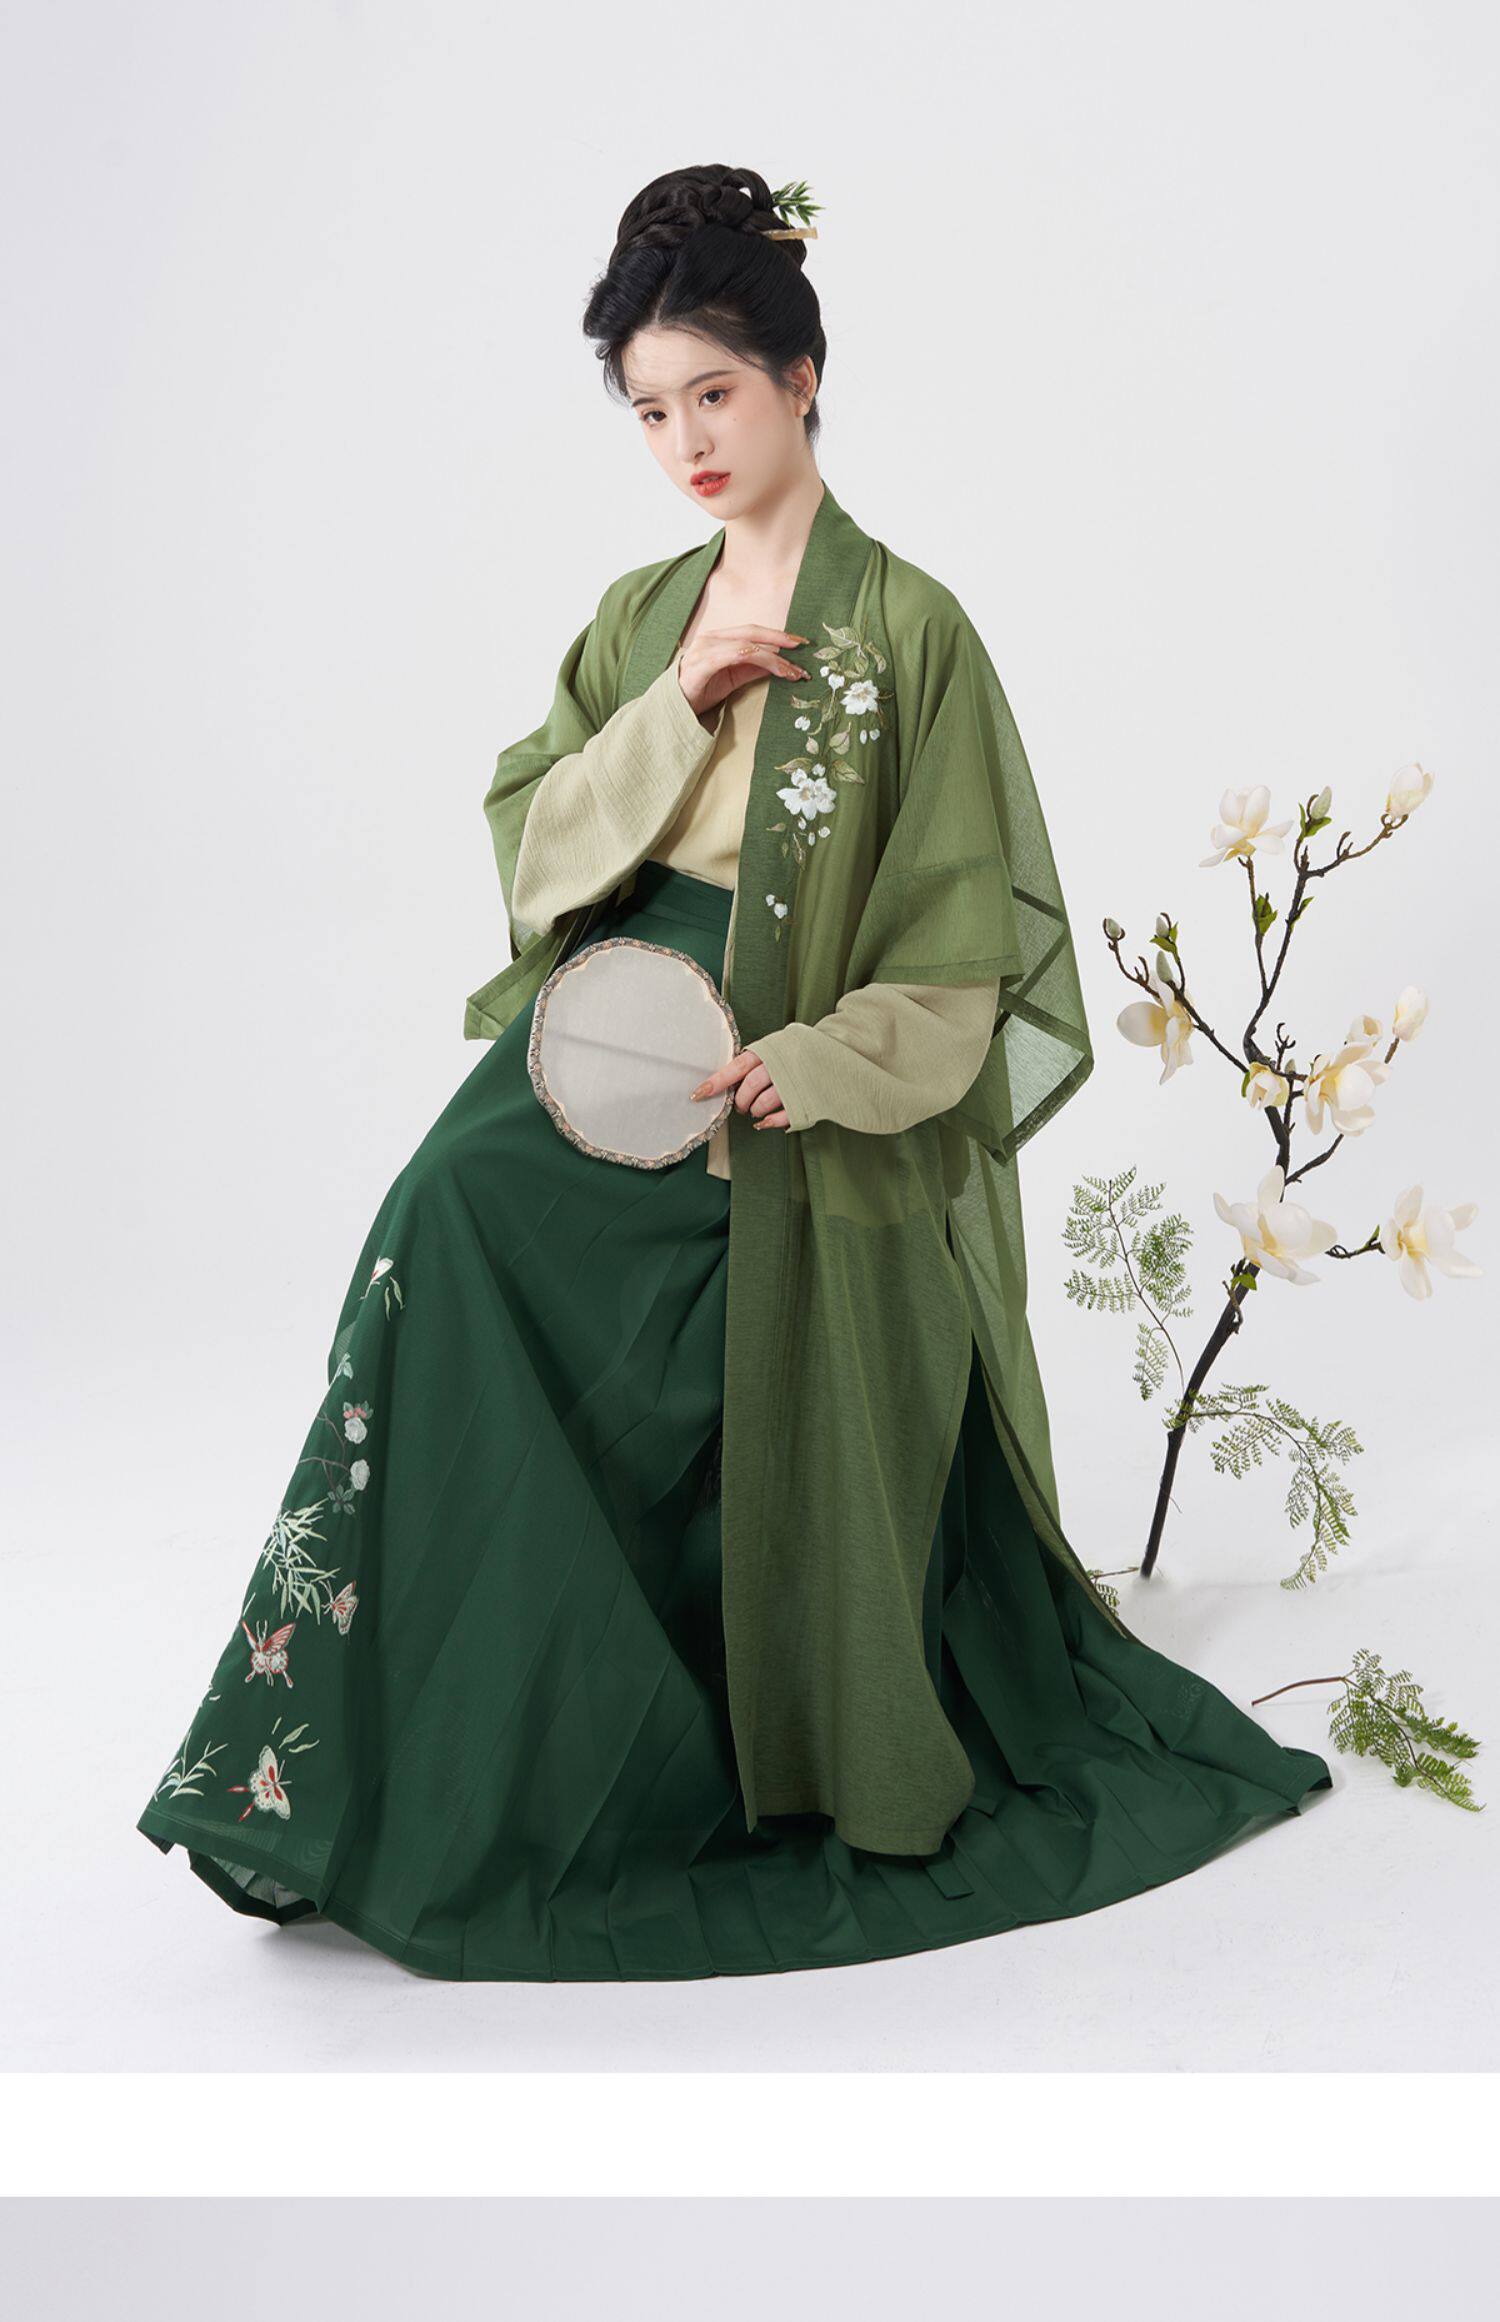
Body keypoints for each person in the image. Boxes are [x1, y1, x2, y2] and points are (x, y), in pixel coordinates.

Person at [137, 164, 1331, 1981]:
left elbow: (961, 959)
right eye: (650, 410)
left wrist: (820, 1058)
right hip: (616, 1033)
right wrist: (674, 702)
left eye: (714, 393)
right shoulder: (644, 614)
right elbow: (536, 845)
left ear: (801, 377)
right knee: (440, 1222)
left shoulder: (912, 631)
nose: (687, 441)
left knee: (574, 1283)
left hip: (789, 1070)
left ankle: (641, 1752)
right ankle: (371, 1773)